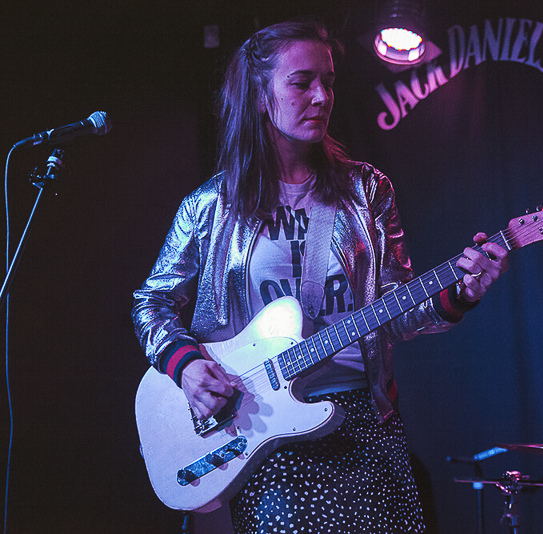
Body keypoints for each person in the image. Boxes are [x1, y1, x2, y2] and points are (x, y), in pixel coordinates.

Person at [132, 17, 509, 534]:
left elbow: (398, 309)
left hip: (365, 423)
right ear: (262, 95)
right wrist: (187, 365)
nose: (321, 96)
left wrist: (460, 293)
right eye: (302, 82)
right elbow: (151, 303)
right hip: (266, 430)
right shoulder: (211, 205)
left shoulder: (366, 191)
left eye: (328, 82)